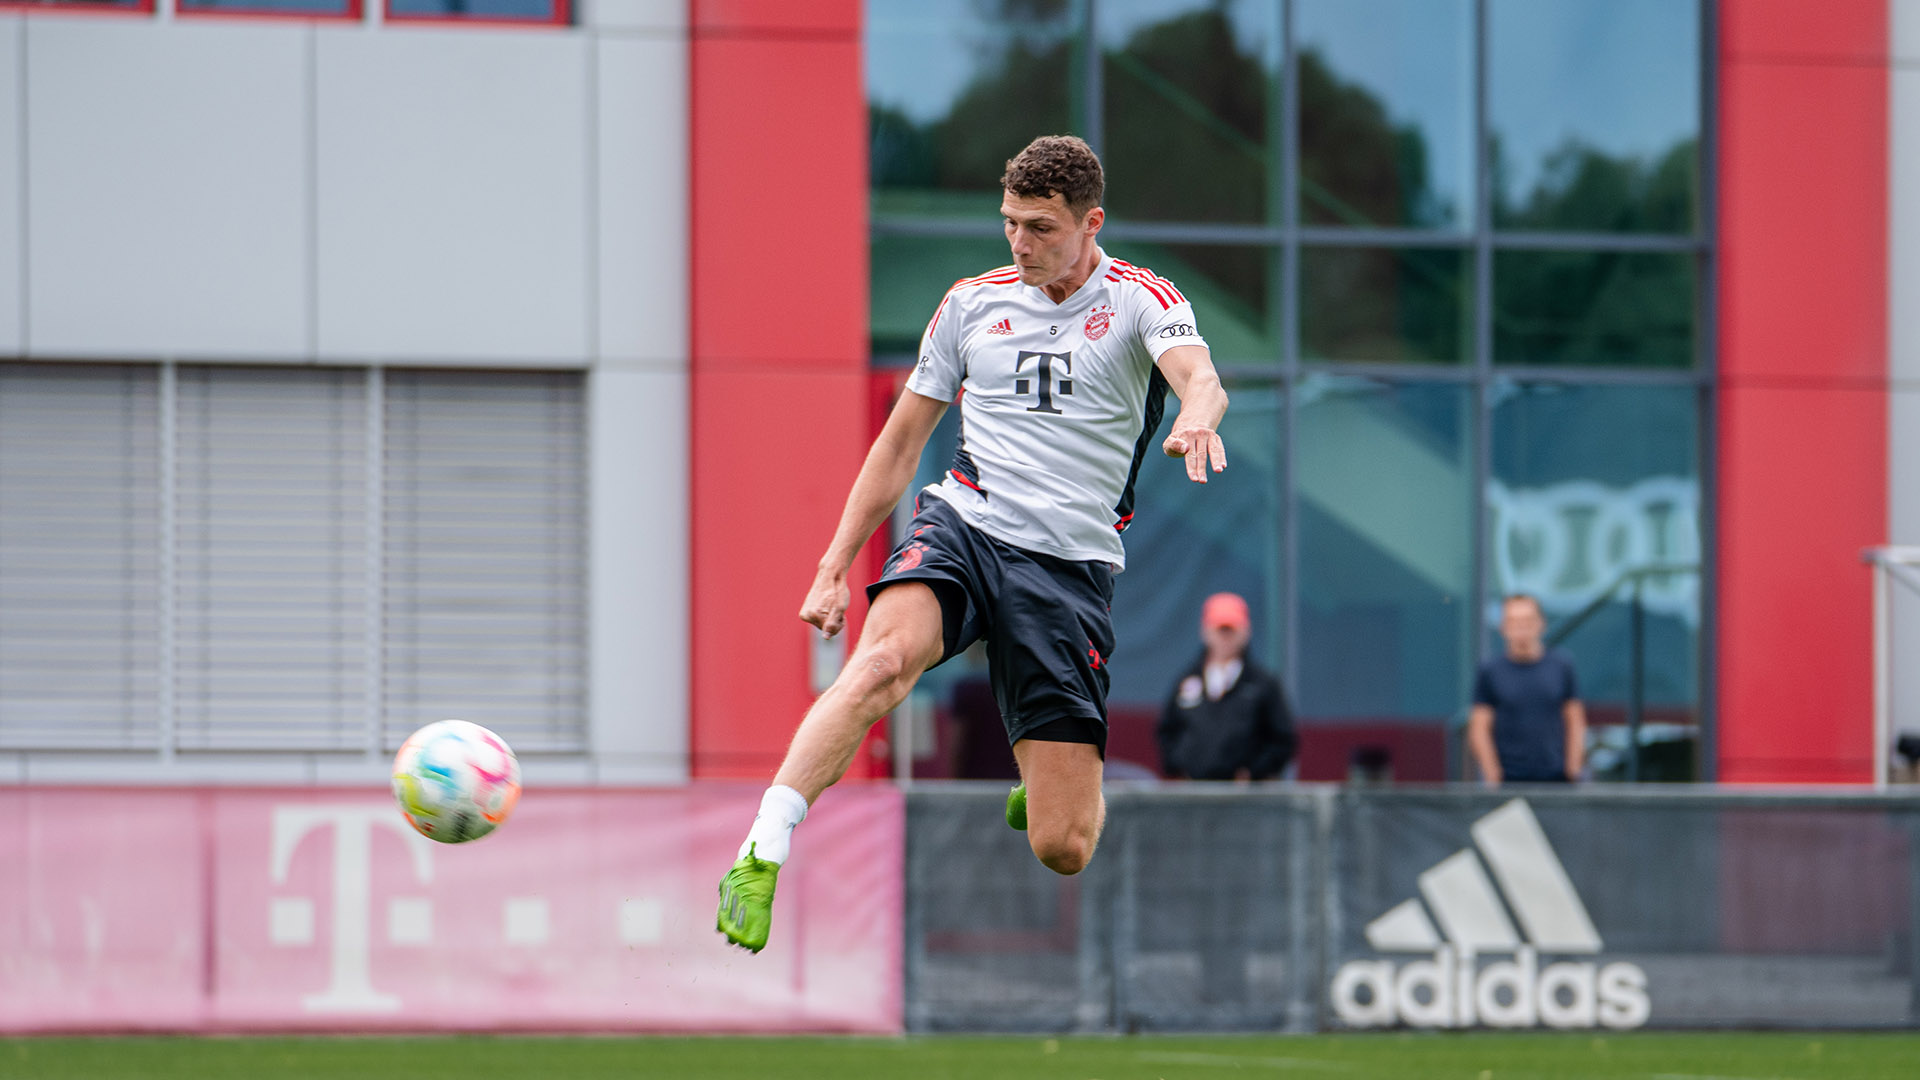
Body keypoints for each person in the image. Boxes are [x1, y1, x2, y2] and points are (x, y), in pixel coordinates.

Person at [716, 135, 1230, 953]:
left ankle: (1046, 780)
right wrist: (832, 568)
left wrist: (1198, 417)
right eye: (1009, 224)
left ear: (1090, 223)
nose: (1020, 244)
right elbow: (897, 447)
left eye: (1041, 228)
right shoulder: (969, 304)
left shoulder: (1140, 299)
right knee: (881, 665)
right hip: (966, 523)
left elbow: (1199, 376)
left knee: (1064, 847)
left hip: (1068, 570)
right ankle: (760, 848)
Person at [1156, 592, 1295, 782]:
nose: (1225, 637)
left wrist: (1253, 773)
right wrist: (1181, 768)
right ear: (1205, 631)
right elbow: (1167, 731)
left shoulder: (1262, 685)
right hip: (1193, 794)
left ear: (1246, 631)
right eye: (1220, 629)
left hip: (1247, 799)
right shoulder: (1187, 681)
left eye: (1231, 630)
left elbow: (1282, 739)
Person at [1468, 594, 1587, 786]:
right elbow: (1479, 727)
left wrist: (1573, 768)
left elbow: (1575, 719)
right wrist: (1492, 774)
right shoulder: (1490, 671)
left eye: (1527, 620)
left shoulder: (1561, 666)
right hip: (1508, 782)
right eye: (1513, 621)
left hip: (1557, 780)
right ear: (1503, 627)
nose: (1521, 627)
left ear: (1541, 623)